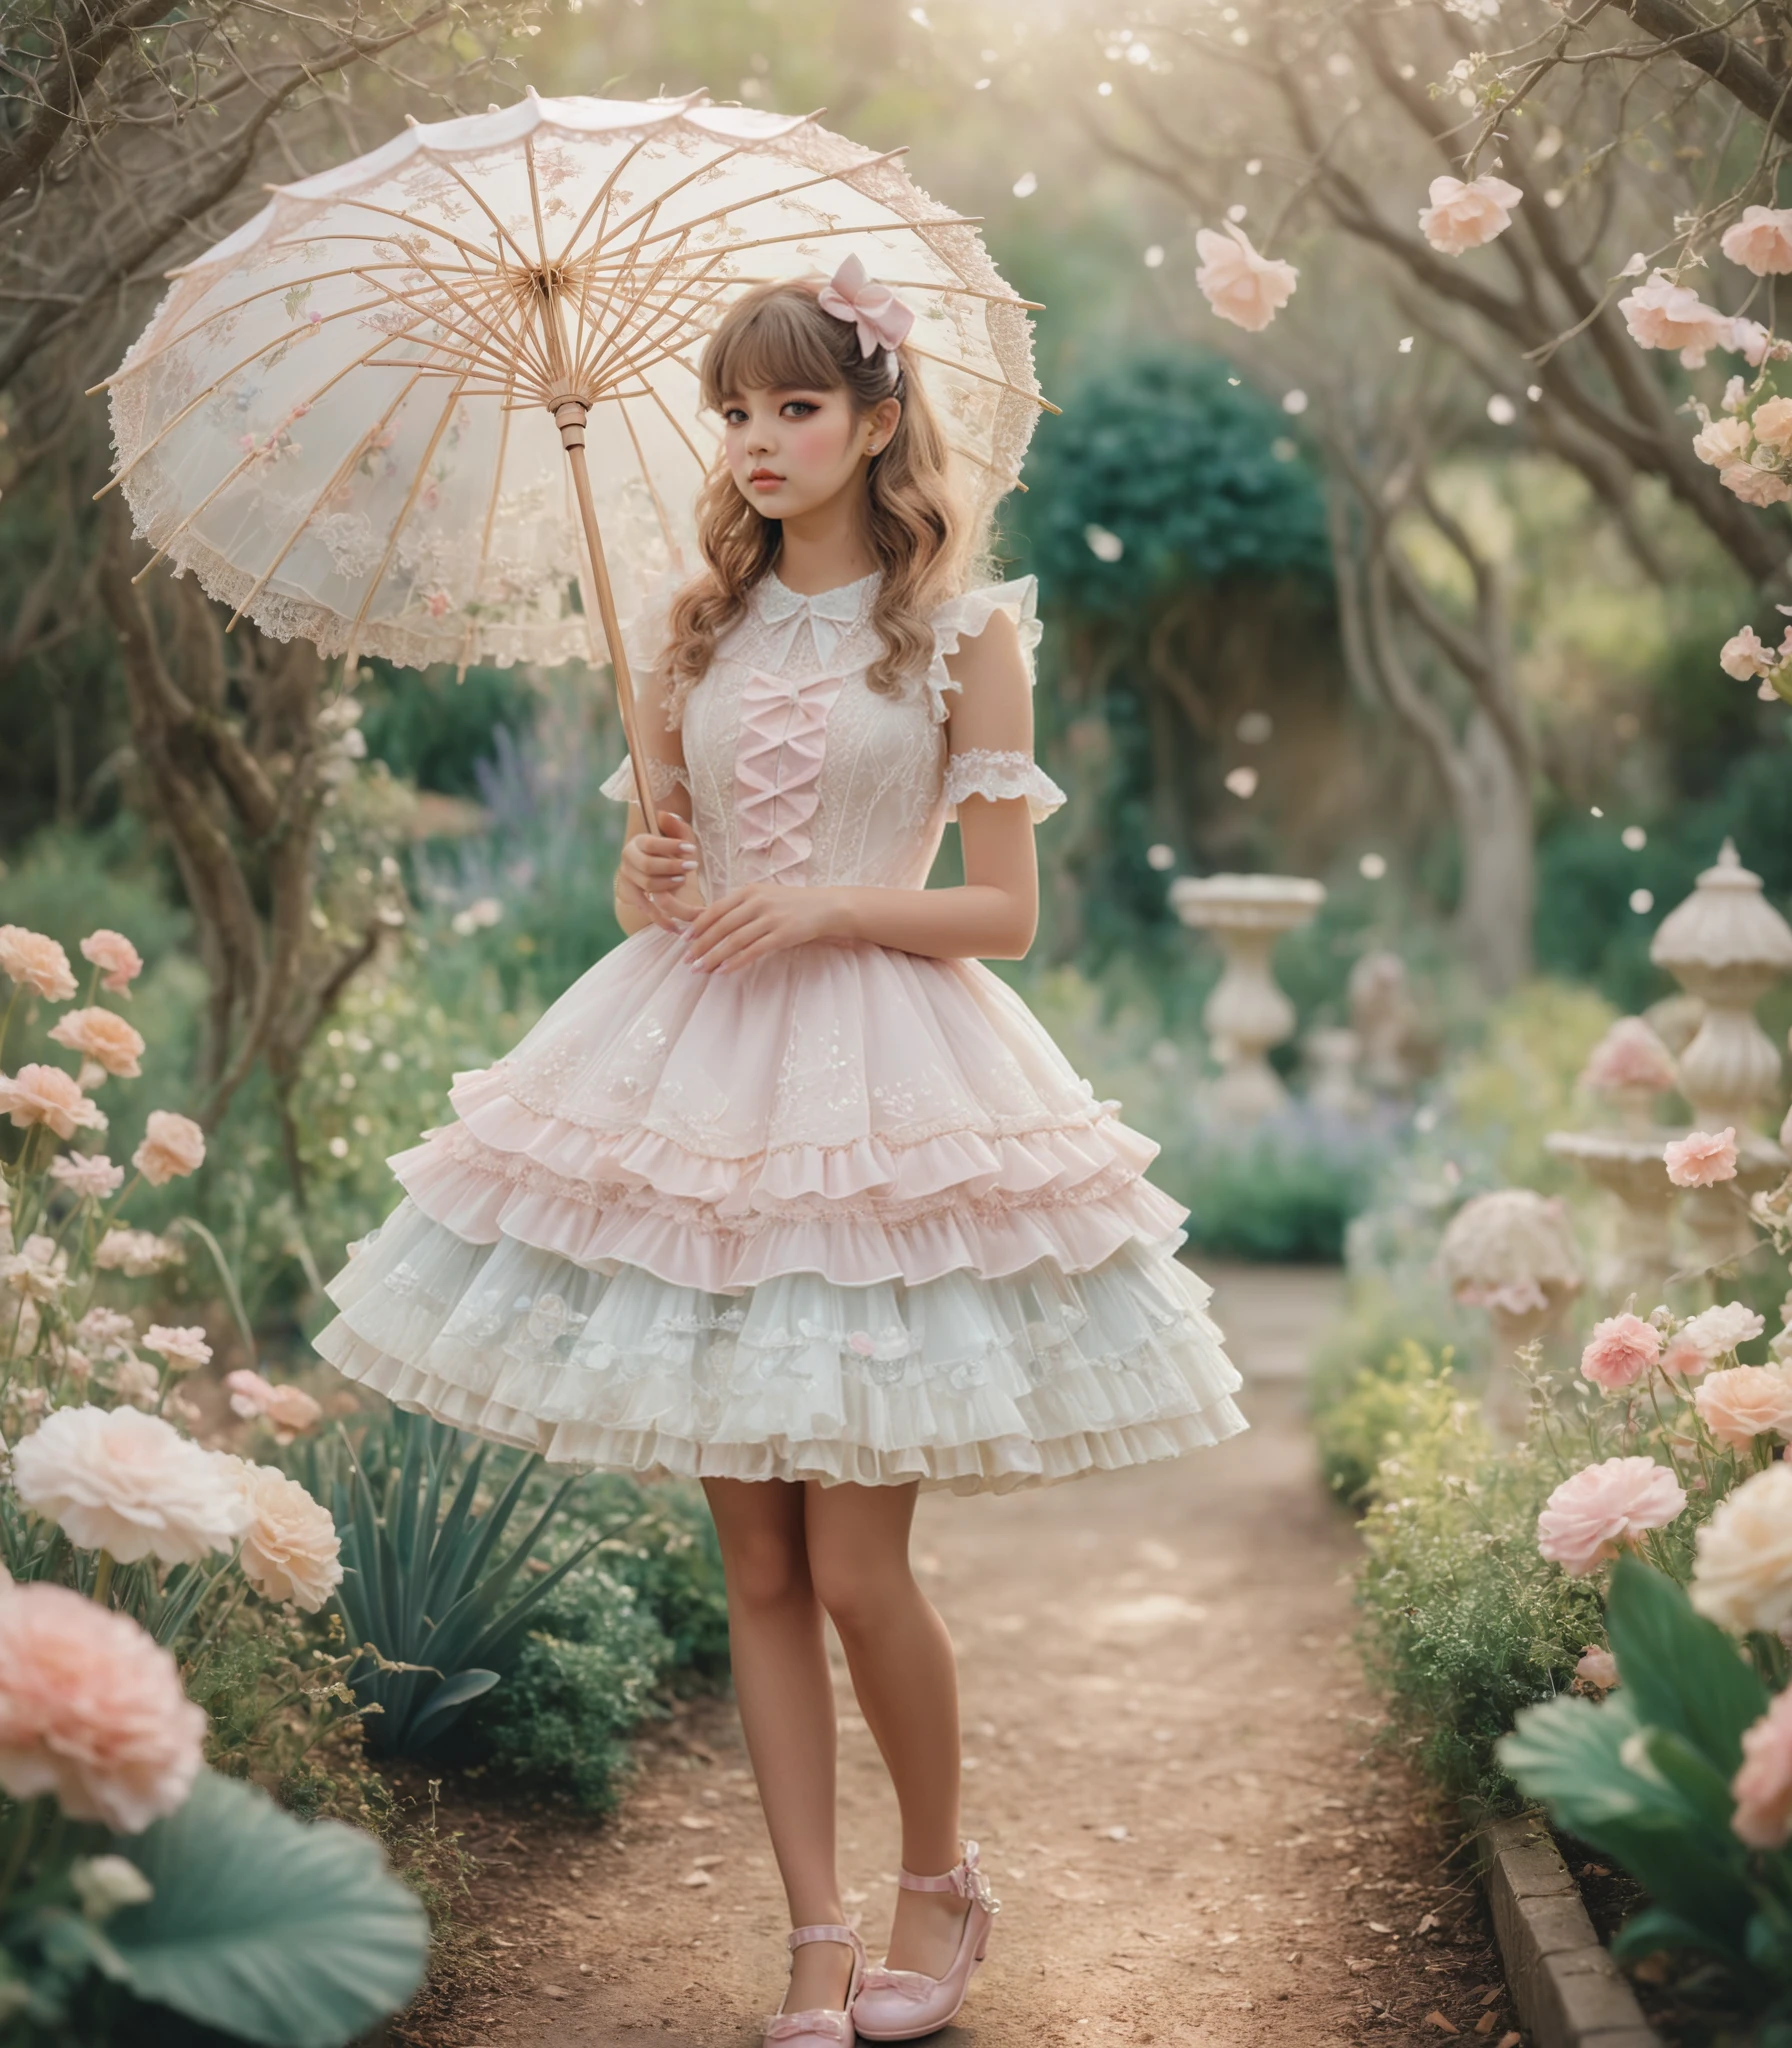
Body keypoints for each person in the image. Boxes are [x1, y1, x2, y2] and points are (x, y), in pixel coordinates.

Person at [313, 257, 1249, 2046]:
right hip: (701, 1082)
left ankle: (937, 1882)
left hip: (883, 1086)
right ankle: (816, 1937)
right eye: (734, 410)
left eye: (795, 406)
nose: (756, 439)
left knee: (856, 1567)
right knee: (752, 1566)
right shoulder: (683, 627)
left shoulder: (967, 631)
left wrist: (826, 903)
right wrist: (649, 876)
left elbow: (1006, 913)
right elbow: (651, 869)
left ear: (879, 419)